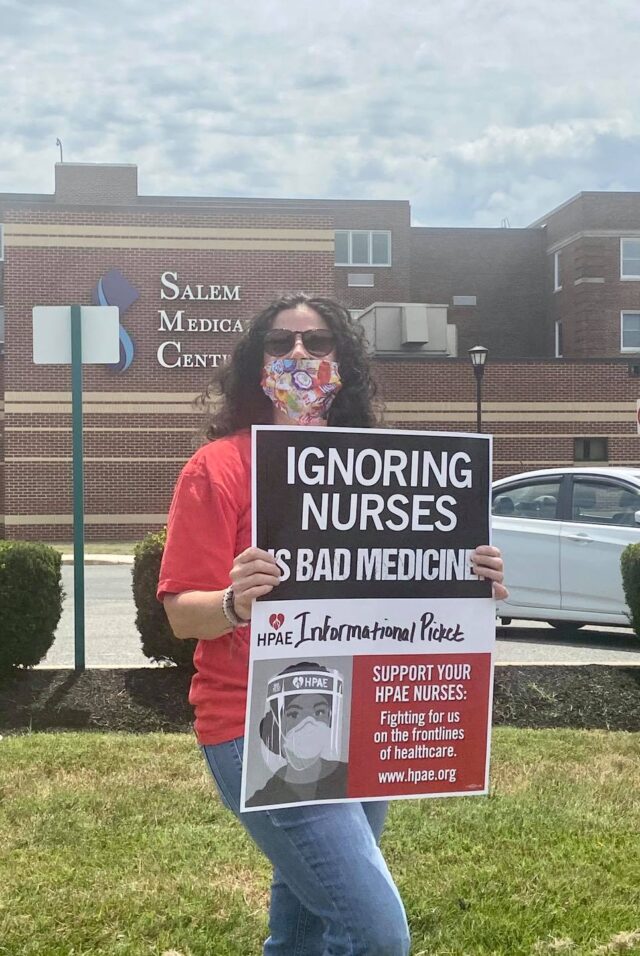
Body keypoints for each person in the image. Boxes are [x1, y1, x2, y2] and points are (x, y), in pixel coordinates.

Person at [157, 292, 507, 956]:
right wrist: (232, 602)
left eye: (316, 344)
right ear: (254, 363)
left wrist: (468, 581)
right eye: (280, 343)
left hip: (363, 719)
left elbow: (397, 589)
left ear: (341, 363)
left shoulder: (380, 474)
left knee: (308, 922)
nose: (298, 355)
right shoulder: (219, 469)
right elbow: (180, 616)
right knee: (375, 932)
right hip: (258, 725)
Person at [247, 660, 348, 808]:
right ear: (276, 723)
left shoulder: (350, 777)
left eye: (319, 712)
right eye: (294, 714)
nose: (308, 723)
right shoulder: (265, 797)